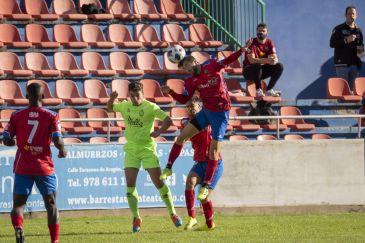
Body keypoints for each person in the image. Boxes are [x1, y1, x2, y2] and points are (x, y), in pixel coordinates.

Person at [160, 43, 250, 202]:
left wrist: (241, 51)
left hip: (221, 113)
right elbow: (186, 99)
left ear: (195, 62)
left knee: (214, 151)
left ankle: (206, 185)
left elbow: (228, 60)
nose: (188, 71)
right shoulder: (191, 81)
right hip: (206, 112)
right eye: (185, 70)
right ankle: (168, 168)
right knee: (181, 137)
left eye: (188, 67)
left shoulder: (211, 65)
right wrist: (171, 92)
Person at [107, 82, 182, 233]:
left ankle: (173, 213)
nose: (135, 99)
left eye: (138, 95)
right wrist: (112, 98)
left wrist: (159, 131)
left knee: (159, 183)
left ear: (143, 94)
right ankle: (136, 217)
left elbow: (168, 121)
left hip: (148, 149)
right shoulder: (125, 105)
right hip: (132, 149)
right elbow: (110, 108)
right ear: (129, 95)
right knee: (130, 184)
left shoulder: (150, 107)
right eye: (132, 96)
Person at [3, 83, 67, 243]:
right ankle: (54, 241)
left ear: (26, 97)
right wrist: (62, 150)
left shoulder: (16, 115)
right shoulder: (51, 115)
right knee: (51, 204)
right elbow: (58, 139)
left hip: (23, 166)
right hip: (43, 167)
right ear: (43, 97)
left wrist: (12, 142)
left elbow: (6, 138)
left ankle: (18, 228)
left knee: (18, 205)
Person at [165, 97, 224, 231]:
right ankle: (192, 218)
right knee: (189, 183)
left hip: (214, 163)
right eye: (188, 108)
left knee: (204, 197)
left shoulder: (208, 119)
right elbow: (185, 135)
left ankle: (210, 224)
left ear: (200, 107)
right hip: (200, 162)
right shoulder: (186, 123)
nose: (190, 110)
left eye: (193, 107)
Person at [242, 23, 284, 97]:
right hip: (248, 71)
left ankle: (269, 90)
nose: (261, 32)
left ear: (267, 32)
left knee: (279, 66)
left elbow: (274, 58)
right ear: (256, 32)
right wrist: (268, 60)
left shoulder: (269, 42)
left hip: (260, 72)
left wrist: (274, 60)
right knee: (256, 65)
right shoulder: (251, 42)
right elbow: (252, 60)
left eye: (263, 31)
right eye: (259, 31)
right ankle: (258, 90)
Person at [330, 5, 364, 89]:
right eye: (349, 14)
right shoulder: (338, 29)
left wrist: (361, 51)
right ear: (345, 15)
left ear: (356, 16)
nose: (351, 16)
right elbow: (332, 44)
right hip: (342, 65)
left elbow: (360, 48)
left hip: (354, 66)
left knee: (354, 91)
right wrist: (346, 40)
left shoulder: (359, 31)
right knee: (343, 90)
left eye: (353, 14)